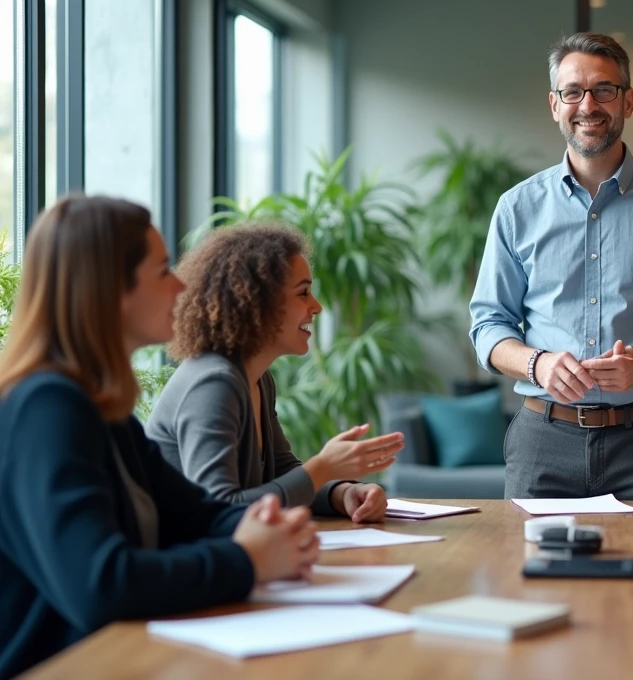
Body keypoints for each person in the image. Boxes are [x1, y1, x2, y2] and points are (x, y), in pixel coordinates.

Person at [0, 196, 318, 679]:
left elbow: (194, 513)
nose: (182, 285)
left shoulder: (99, 407)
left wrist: (266, 527)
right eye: (163, 270)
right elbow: (101, 585)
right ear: (109, 290)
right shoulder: (46, 408)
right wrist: (246, 559)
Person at [470, 32, 633, 500]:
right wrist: (537, 363)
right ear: (555, 105)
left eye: (604, 90)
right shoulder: (516, 208)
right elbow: (488, 325)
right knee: (529, 574)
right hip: (542, 442)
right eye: (573, 92)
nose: (588, 105)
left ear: (627, 101)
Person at [147, 222, 403, 523]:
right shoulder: (213, 383)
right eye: (303, 293)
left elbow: (282, 474)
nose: (317, 306)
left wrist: (341, 493)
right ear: (257, 300)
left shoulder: (256, 379)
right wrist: (322, 467)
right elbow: (218, 510)